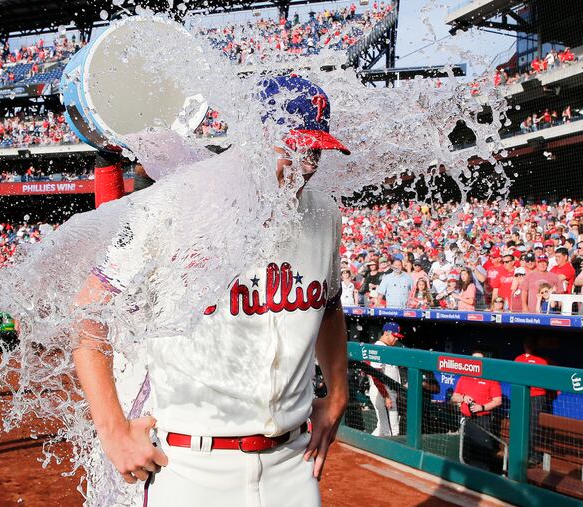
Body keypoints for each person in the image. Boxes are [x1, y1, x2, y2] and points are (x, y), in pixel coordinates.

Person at [72, 75, 350, 506]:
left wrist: (338, 391)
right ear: (254, 140)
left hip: (293, 465)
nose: (307, 165)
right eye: (292, 149)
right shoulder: (175, 204)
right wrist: (112, 430)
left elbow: (329, 307)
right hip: (190, 466)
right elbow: (89, 309)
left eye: (315, 150)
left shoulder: (323, 214)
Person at [451, 350, 503, 473]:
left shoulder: (490, 378)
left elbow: (498, 401)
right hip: (466, 421)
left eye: (479, 360)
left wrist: (482, 407)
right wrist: (463, 398)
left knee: (481, 455)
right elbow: (454, 397)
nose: (475, 362)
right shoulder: (465, 377)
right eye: (473, 359)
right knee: (466, 452)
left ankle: (481, 480)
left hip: (482, 421)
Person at [514, 338, 550, 464]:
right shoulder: (518, 359)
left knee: (534, 426)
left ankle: (534, 456)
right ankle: (521, 454)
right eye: (526, 343)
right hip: (522, 395)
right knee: (520, 423)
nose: (528, 345)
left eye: (531, 343)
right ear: (524, 344)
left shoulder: (541, 361)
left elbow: (546, 381)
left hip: (537, 397)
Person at [366, 322, 404, 437]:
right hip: (382, 393)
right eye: (395, 336)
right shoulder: (379, 348)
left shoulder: (386, 348)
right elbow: (375, 375)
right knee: (391, 431)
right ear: (386, 334)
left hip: (386, 392)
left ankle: (368, 447)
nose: (396, 340)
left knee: (383, 428)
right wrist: (386, 396)